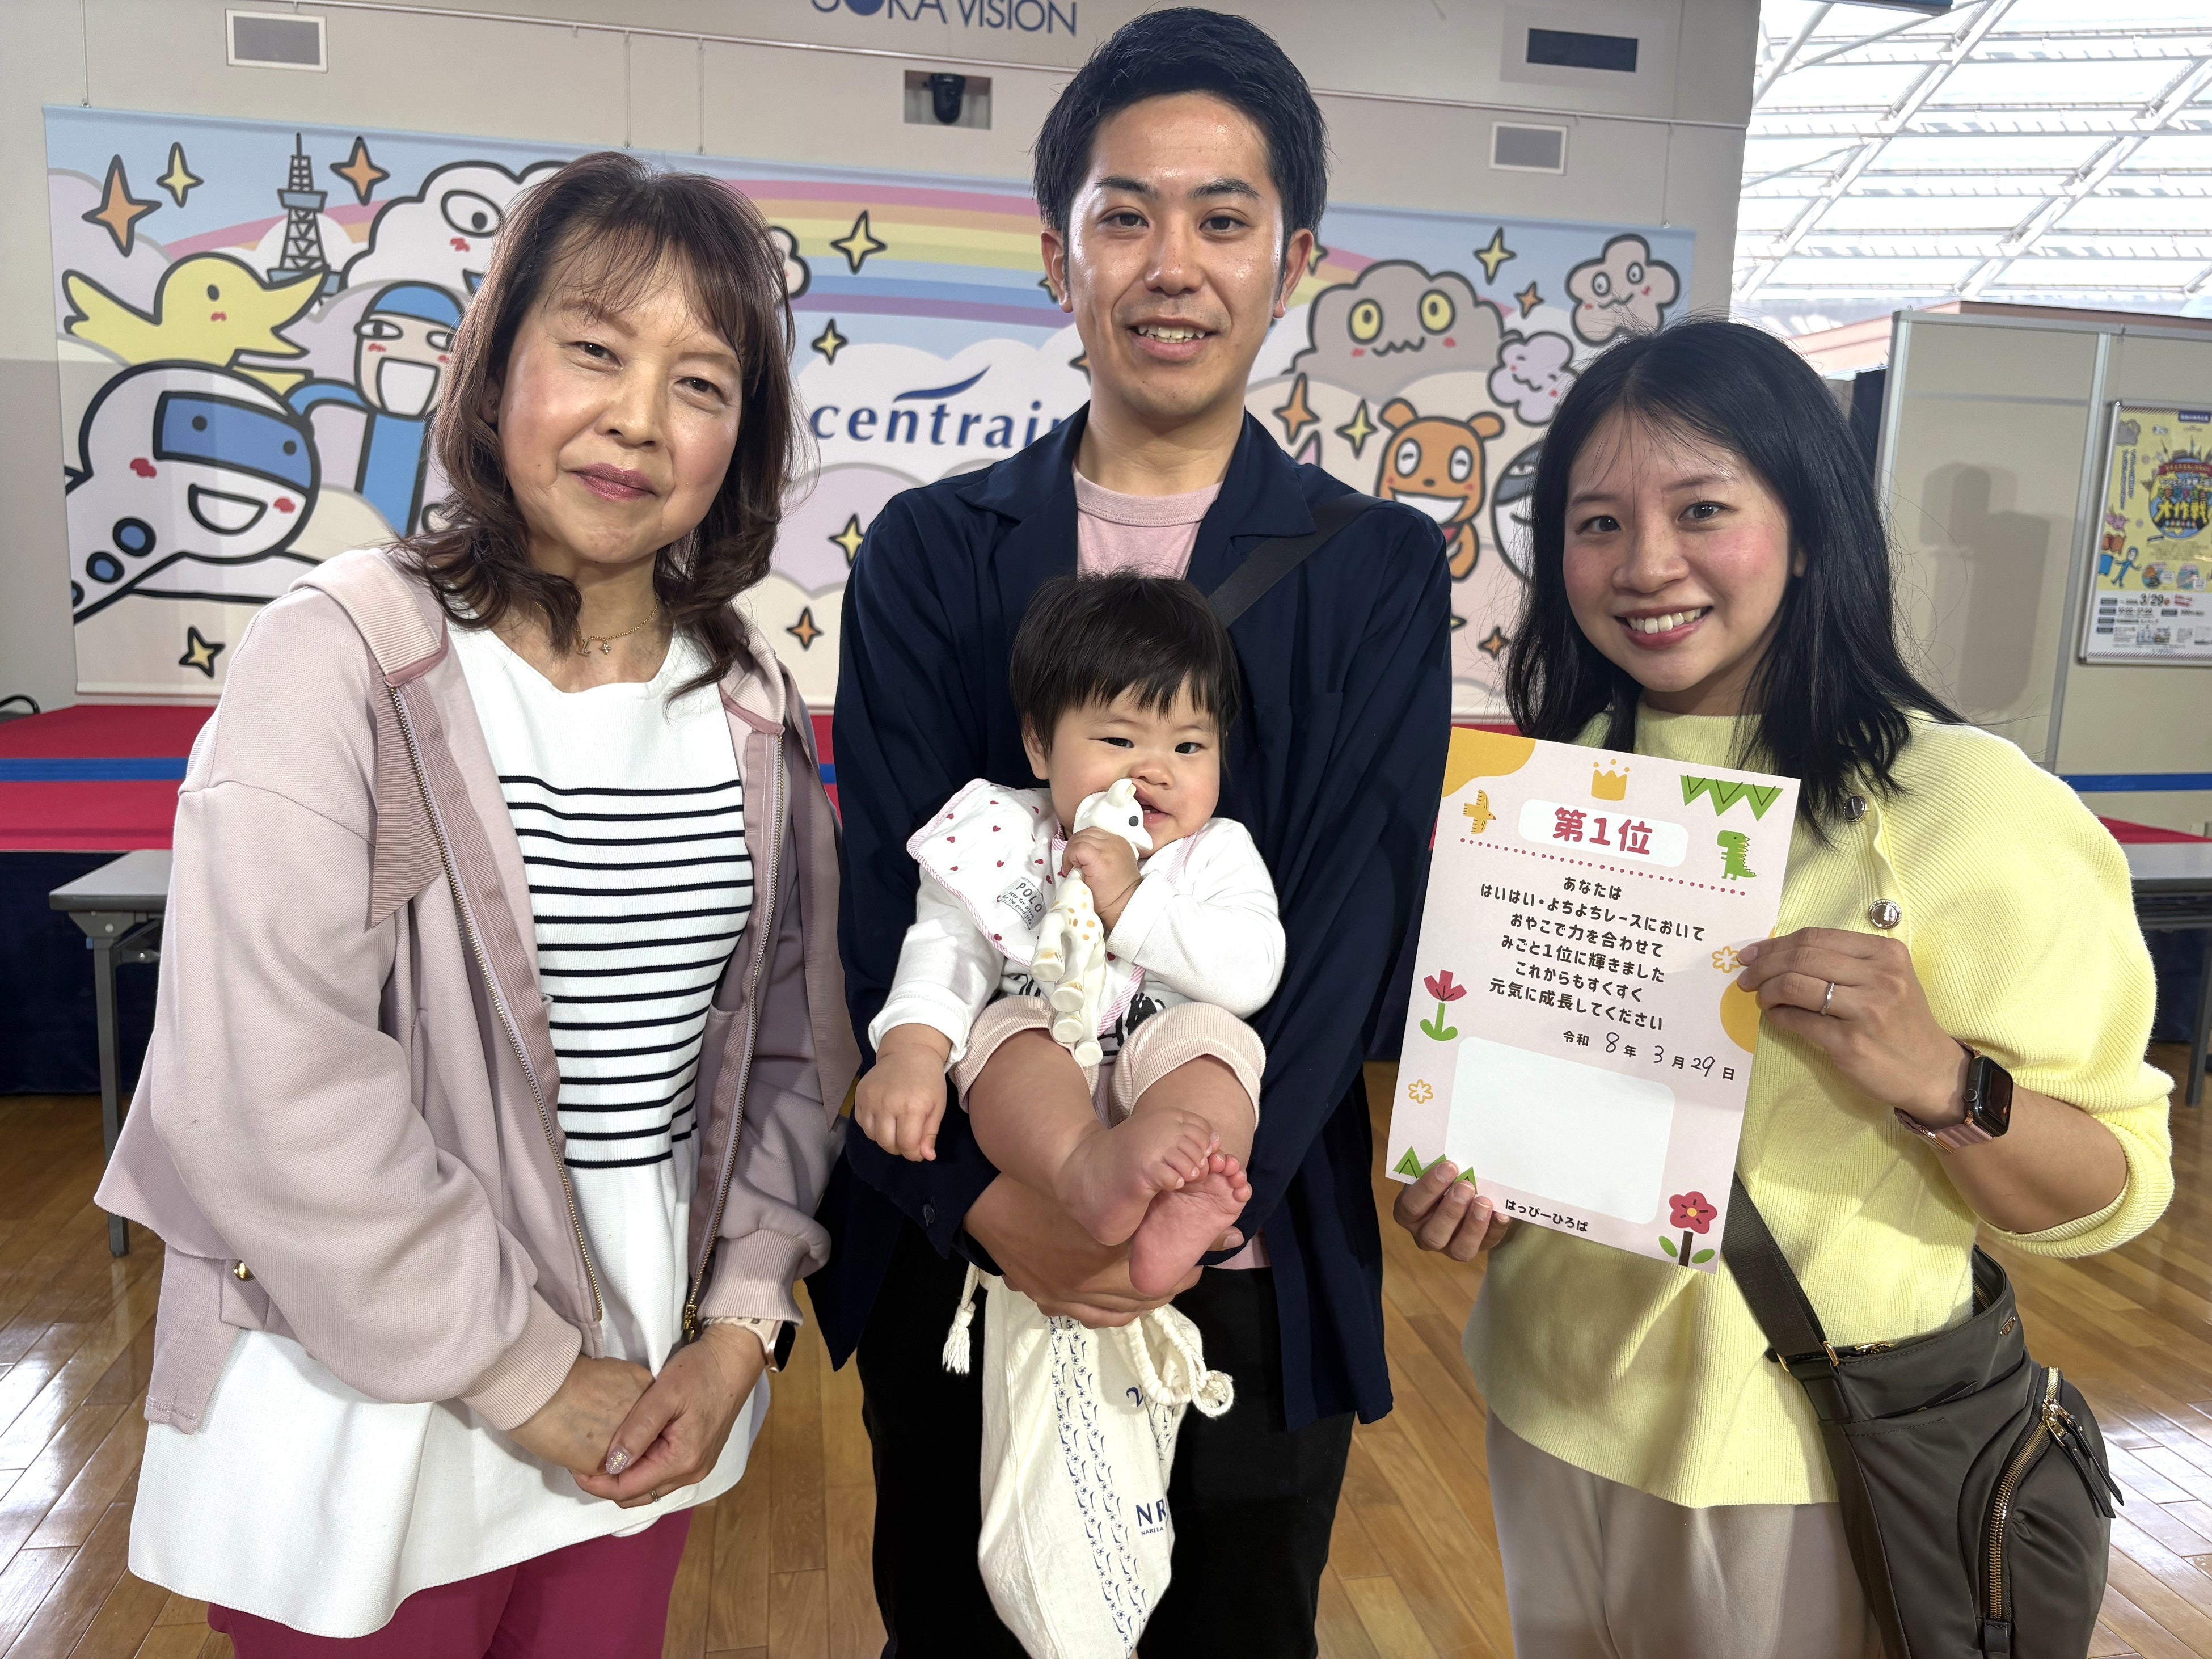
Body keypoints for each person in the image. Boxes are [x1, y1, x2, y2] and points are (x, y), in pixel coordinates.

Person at [95, 151, 857, 1653]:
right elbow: (265, 1085)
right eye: (595, 349)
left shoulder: (750, 700)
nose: (639, 417)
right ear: (495, 366)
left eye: (701, 383)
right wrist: (523, 1370)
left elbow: (788, 1047)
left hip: (643, 1384)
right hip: (361, 1396)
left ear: (743, 438)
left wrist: (740, 1321)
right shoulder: (339, 654)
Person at [809, 10, 1453, 1654]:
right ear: (1057, 254)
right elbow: (892, 892)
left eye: (1223, 218)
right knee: (958, 1623)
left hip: (1243, 1251)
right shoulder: (933, 552)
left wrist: (1186, 1207)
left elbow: (1351, 918)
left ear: (1292, 260)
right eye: (1125, 215)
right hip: (969, 1242)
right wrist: (992, 1200)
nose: (1173, 264)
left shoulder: (1371, 568)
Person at [1391, 317, 2175, 1657]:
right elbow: (1551, 1121)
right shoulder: (1553, 788)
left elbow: (2116, 1187)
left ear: (1807, 528)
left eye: (1702, 509)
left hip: (1806, 1449)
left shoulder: (1968, 805)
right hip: (1547, 1407)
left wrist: (1944, 1080)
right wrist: (1481, 1193)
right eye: (1596, 522)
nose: (1646, 563)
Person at [856, 573, 1281, 1298]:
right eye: (1119, 739)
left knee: (1216, 1044)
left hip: (1164, 1061)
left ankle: (1187, 1199)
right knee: (1008, 1036)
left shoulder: (1216, 851)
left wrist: (1131, 903)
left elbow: (1251, 973)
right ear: (1039, 744)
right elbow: (945, 953)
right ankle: (1082, 1167)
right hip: (1048, 1071)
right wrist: (911, 1052)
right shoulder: (1001, 835)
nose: (1155, 770)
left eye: (1189, 746)